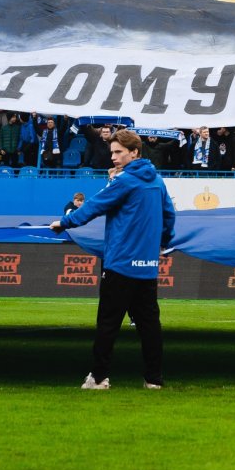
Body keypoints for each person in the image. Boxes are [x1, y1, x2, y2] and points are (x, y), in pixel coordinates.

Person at [50, 130, 176, 390]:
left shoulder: (125, 181)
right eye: (112, 152)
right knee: (149, 326)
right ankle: (154, 379)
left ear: (135, 152)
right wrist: (163, 241)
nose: (114, 157)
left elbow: (94, 206)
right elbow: (169, 215)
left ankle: (98, 378)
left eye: (119, 152)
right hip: (147, 266)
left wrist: (64, 223)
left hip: (120, 264)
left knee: (107, 324)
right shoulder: (157, 181)